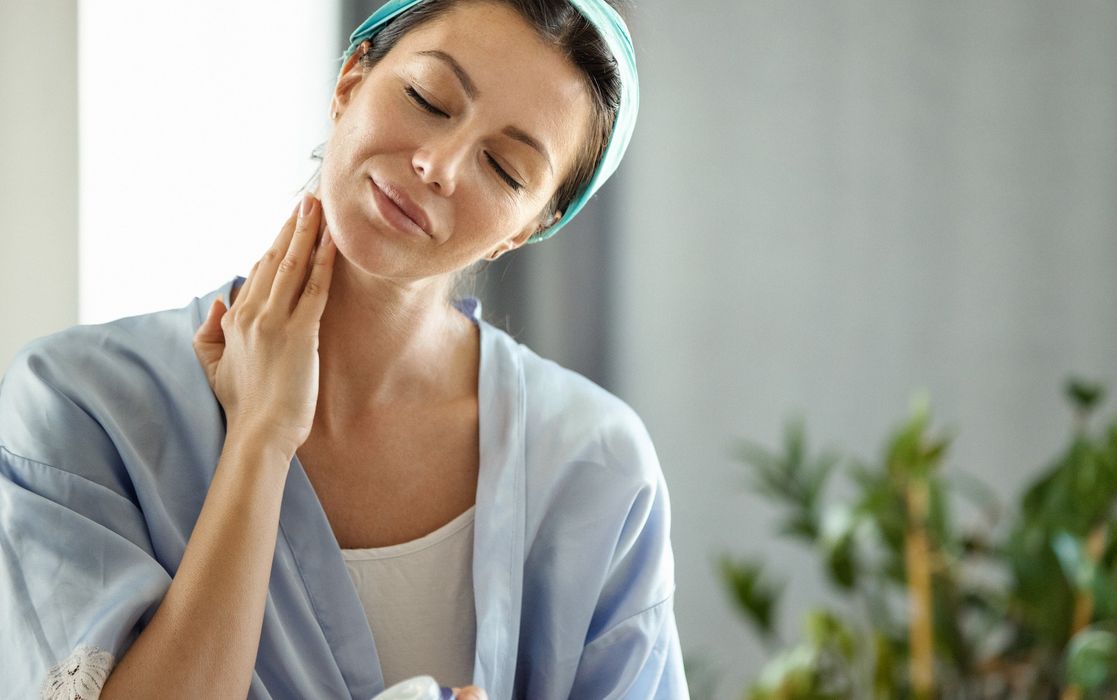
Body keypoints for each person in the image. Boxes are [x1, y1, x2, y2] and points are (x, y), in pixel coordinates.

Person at [0, 0, 687, 697]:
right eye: (426, 98)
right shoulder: (75, 404)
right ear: (351, 79)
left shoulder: (596, 465)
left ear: (528, 228)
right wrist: (259, 440)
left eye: (505, 169)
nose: (437, 165)